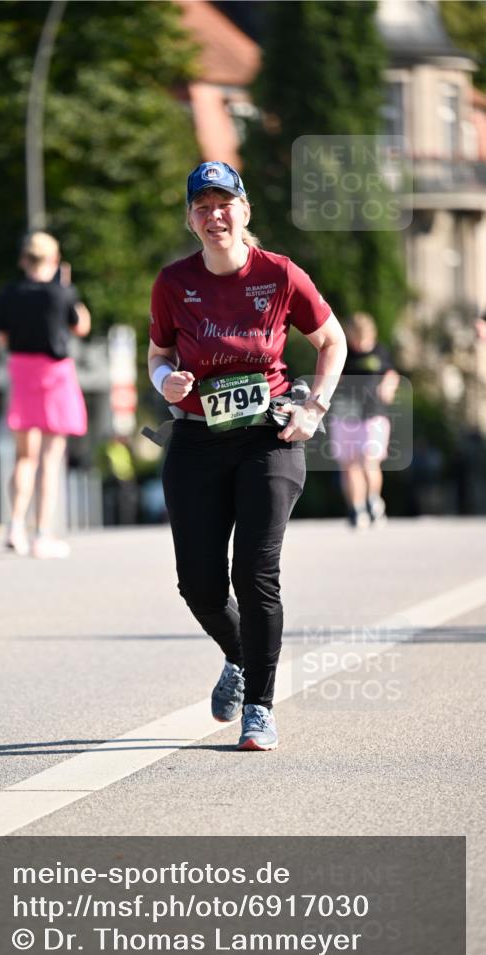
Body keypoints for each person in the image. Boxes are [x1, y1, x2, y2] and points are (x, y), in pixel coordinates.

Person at [148, 161, 347, 751]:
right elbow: (157, 353)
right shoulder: (172, 283)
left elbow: (331, 340)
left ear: (245, 211)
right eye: (203, 207)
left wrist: (316, 408)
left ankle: (259, 706)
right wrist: (165, 383)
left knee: (255, 574)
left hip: (270, 437)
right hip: (196, 440)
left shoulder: (280, 274)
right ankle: (239, 658)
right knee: (200, 585)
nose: (215, 217)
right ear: (190, 219)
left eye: (224, 204)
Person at [0, 231, 91, 558]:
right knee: (50, 459)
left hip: (22, 371)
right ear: (53, 260)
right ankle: (41, 534)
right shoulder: (60, 293)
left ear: (24, 260)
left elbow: (1, 338)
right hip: (55, 374)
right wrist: (66, 288)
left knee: (25, 457)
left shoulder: (10, 293)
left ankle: (14, 526)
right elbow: (81, 326)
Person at [329, 312, 400, 529]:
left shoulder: (380, 351)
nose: (360, 343)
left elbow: (391, 373)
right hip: (347, 414)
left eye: (363, 338)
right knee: (350, 465)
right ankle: (356, 508)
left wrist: (388, 385)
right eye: (356, 338)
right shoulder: (344, 352)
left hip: (373, 414)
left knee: (369, 460)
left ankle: (373, 501)